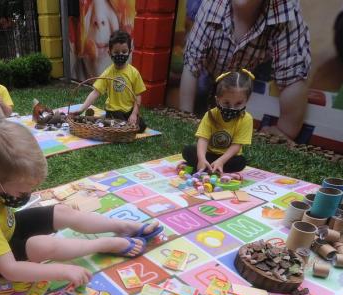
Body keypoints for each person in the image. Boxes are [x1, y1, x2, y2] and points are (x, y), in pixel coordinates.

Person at [0, 121, 163, 287]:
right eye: (22, 192)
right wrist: (62, 271)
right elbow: (10, 270)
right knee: (41, 245)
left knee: (62, 211)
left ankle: (123, 226)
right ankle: (104, 244)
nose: (28, 195)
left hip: (5, 226)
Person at [179, 0, 311, 140]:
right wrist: (185, 116)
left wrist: (285, 131)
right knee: (202, 96)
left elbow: (293, 76)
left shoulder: (287, 13)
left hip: (257, 67)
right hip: (211, 67)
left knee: (258, 103)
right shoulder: (211, 6)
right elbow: (191, 65)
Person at [182, 69, 254, 174]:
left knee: (240, 162)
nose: (232, 108)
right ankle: (207, 165)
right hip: (209, 153)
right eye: (226, 103)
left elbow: (236, 146)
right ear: (217, 100)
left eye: (238, 103)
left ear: (246, 101)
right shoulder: (210, 114)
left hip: (227, 158)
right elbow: (203, 139)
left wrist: (221, 161)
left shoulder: (246, 119)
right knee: (188, 150)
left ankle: (210, 167)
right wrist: (202, 159)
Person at [77, 29, 147, 132]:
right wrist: (82, 108)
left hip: (129, 110)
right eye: (116, 52)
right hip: (113, 110)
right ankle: (111, 122)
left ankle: (118, 124)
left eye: (124, 52)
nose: (120, 55)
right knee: (122, 126)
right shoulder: (108, 73)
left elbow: (138, 95)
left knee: (141, 126)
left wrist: (134, 114)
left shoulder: (134, 73)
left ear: (130, 52)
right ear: (110, 53)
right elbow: (96, 92)